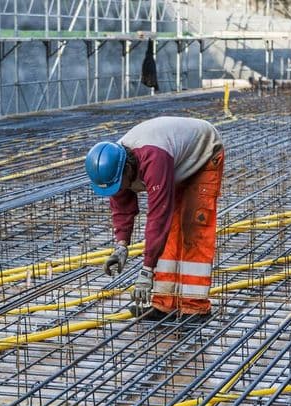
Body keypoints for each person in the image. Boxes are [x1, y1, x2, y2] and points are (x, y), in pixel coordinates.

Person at [85, 117, 224, 322]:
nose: (118, 189)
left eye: (119, 184)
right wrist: (121, 245)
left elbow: (159, 216)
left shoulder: (153, 159)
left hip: (203, 156)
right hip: (176, 161)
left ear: (127, 169)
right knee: (169, 234)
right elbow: (122, 208)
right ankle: (164, 304)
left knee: (192, 229)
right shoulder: (114, 169)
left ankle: (195, 307)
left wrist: (146, 270)